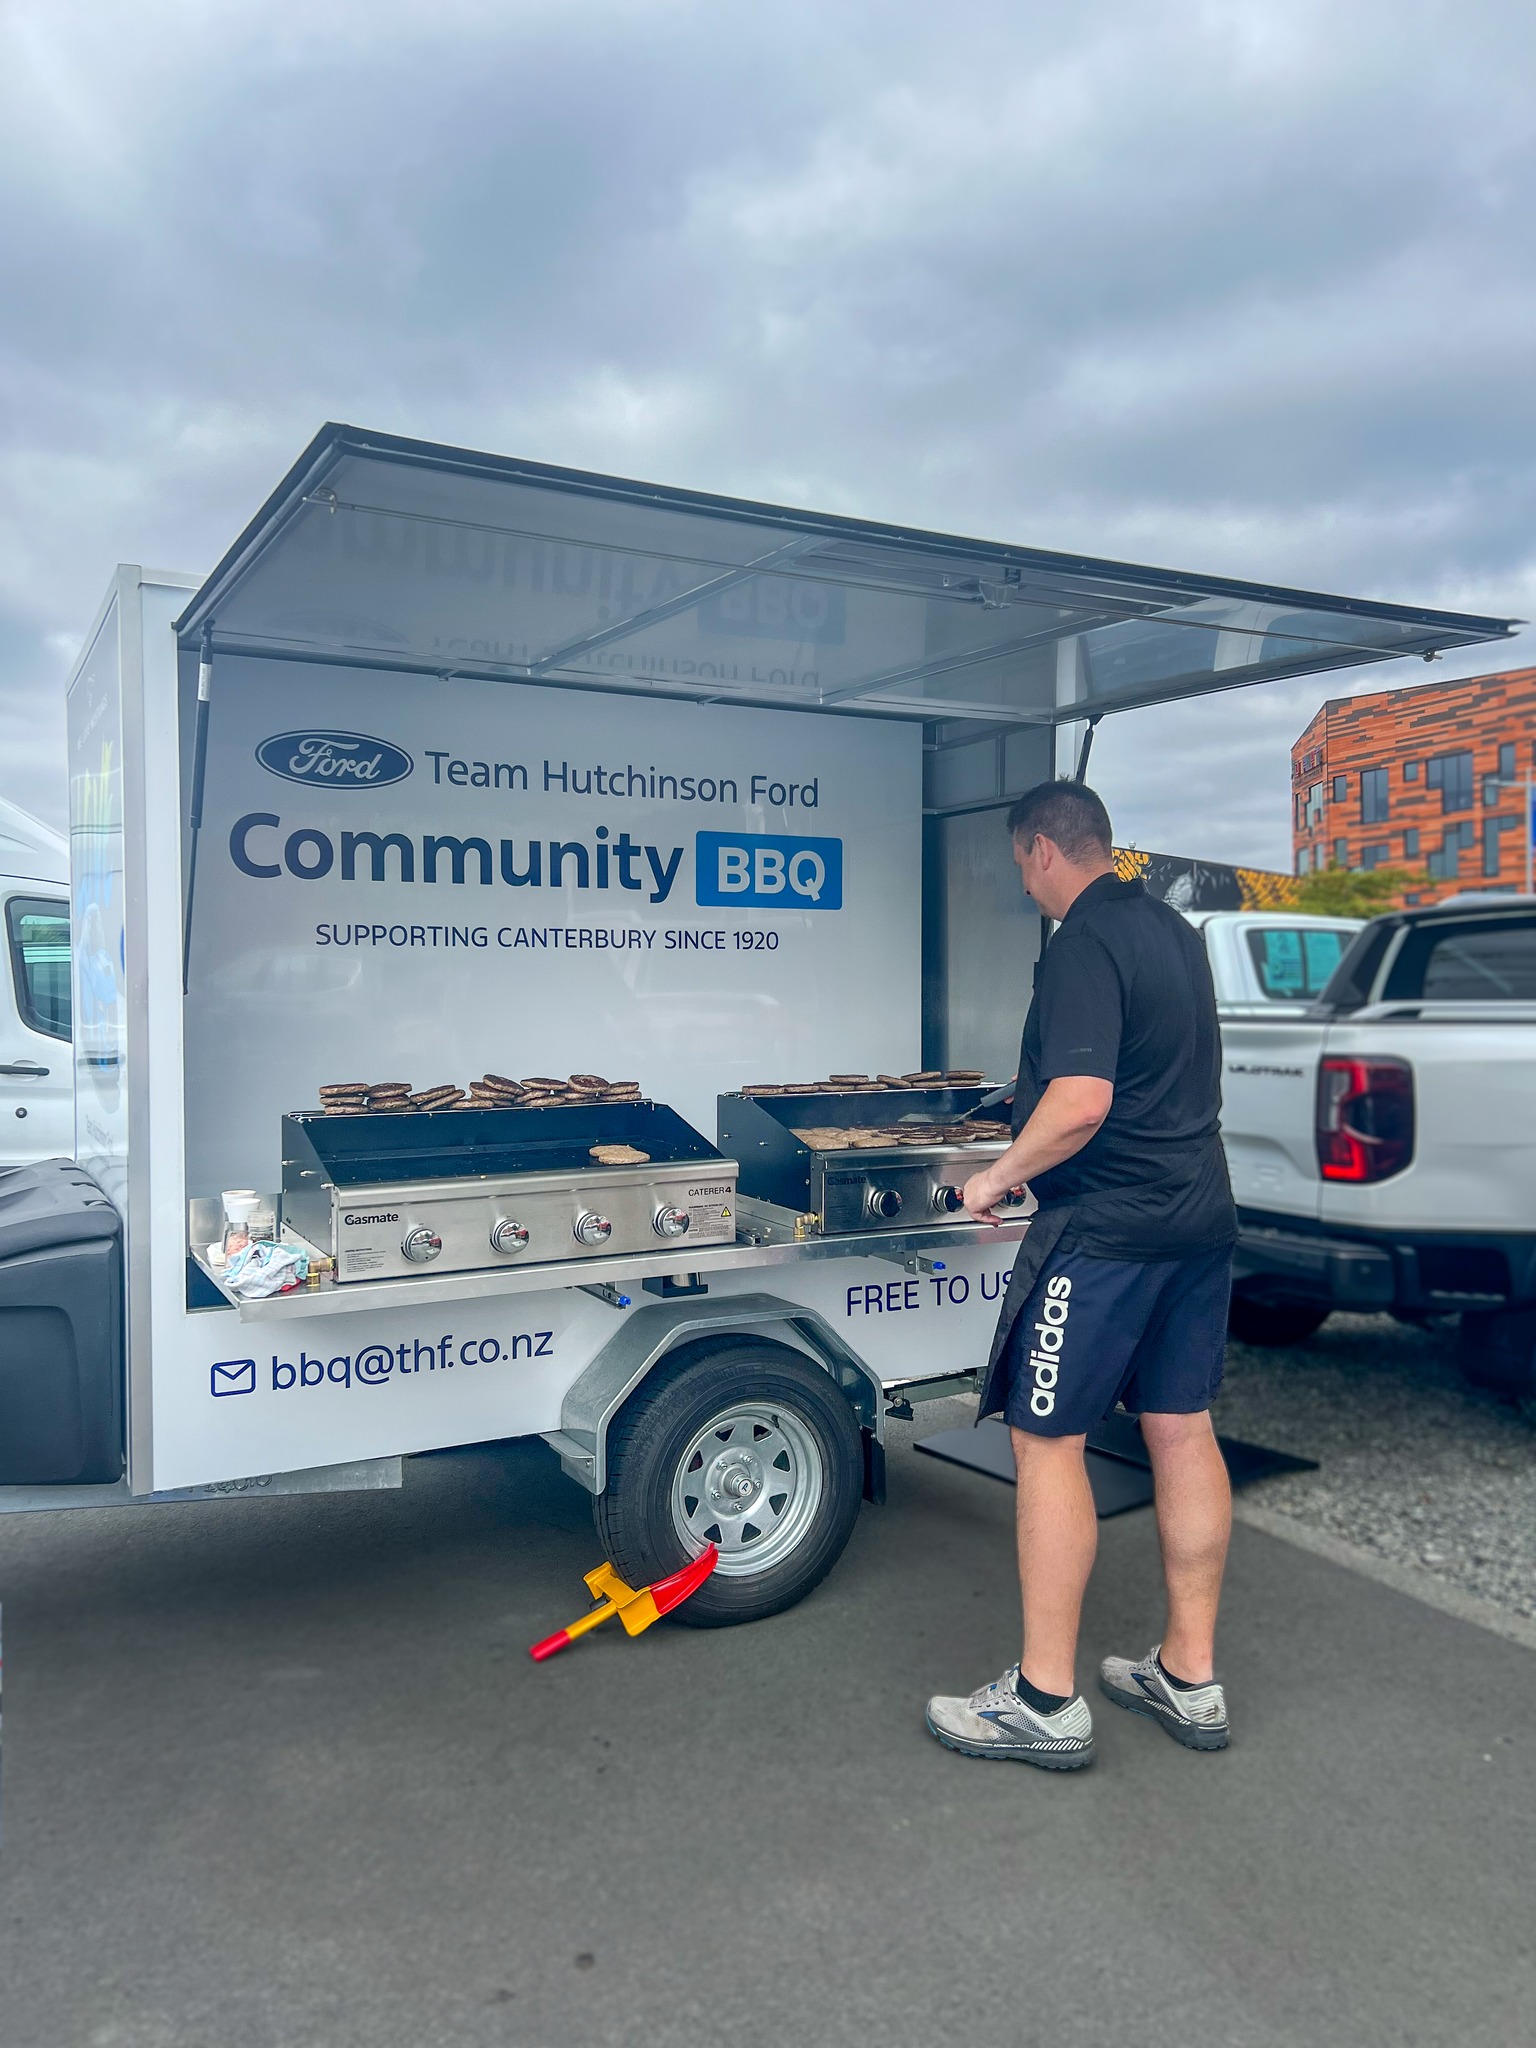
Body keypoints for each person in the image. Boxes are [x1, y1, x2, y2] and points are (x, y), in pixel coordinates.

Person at [925, 780, 1238, 1771]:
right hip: (1198, 1214)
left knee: (1046, 1436)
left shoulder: (1081, 945)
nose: (1025, 883)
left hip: (1107, 1232)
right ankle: (1190, 1673)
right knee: (1180, 1423)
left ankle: (1045, 1697)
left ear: (1042, 851)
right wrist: (1017, 1101)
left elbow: (1088, 1100)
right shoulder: (1174, 933)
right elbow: (1148, 1070)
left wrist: (996, 1175)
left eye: (1023, 866)